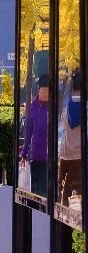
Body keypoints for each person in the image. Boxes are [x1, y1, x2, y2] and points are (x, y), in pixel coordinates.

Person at [20, 73, 49, 199]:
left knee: (45, 191)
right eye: (43, 91)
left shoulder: (53, 108)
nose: (45, 95)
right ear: (39, 90)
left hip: (48, 157)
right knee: (35, 191)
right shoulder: (33, 107)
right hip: (35, 155)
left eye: (48, 92)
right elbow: (28, 132)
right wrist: (24, 154)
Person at [58, 69, 82, 207]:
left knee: (64, 190)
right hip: (81, 155)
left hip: (66, 154)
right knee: (80, 190)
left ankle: (62, 225)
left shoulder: (67, 107)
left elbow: (64, 126)